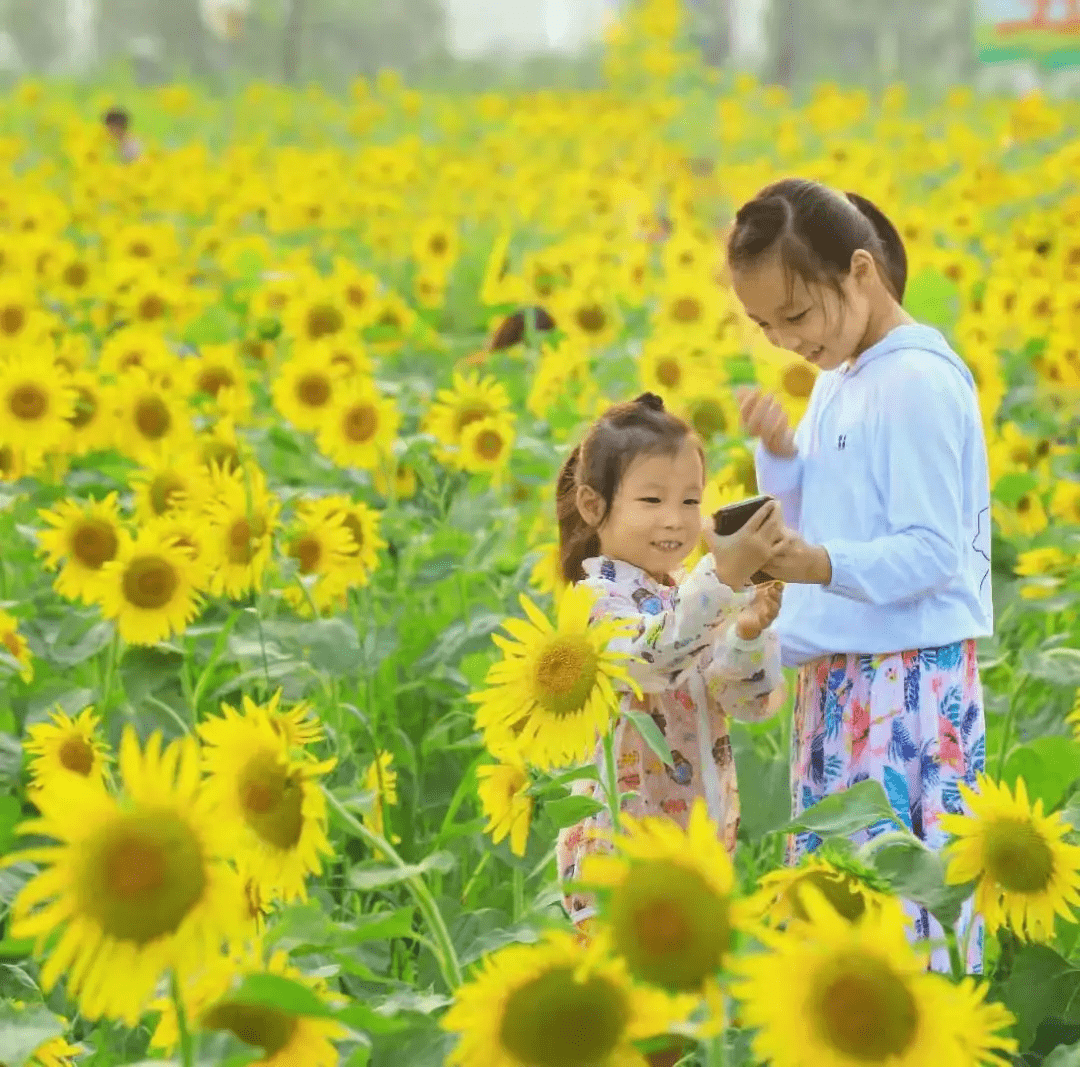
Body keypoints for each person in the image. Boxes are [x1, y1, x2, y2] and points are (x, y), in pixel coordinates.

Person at [726, 177, 993, 973]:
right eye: (763, 324)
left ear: (861, 274)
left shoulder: (913, 380)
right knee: (842, 910)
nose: (783, 339)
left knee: (900, 915)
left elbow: (932, 549)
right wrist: (779, 458)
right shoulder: (846, 376)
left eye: (796, 314)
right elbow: (824, 508)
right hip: (844, 670)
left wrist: (821, 563)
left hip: (904, 678)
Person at [553, 393, 787, 937]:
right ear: (593, 506)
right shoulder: (595, 600)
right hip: (621, 860)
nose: (675, 521)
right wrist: (722, 581)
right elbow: (652, 661)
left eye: (690, 502)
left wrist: (748, 635)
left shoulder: (690, 595)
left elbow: (746, 703)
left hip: (696, 847)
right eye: (652, 500)